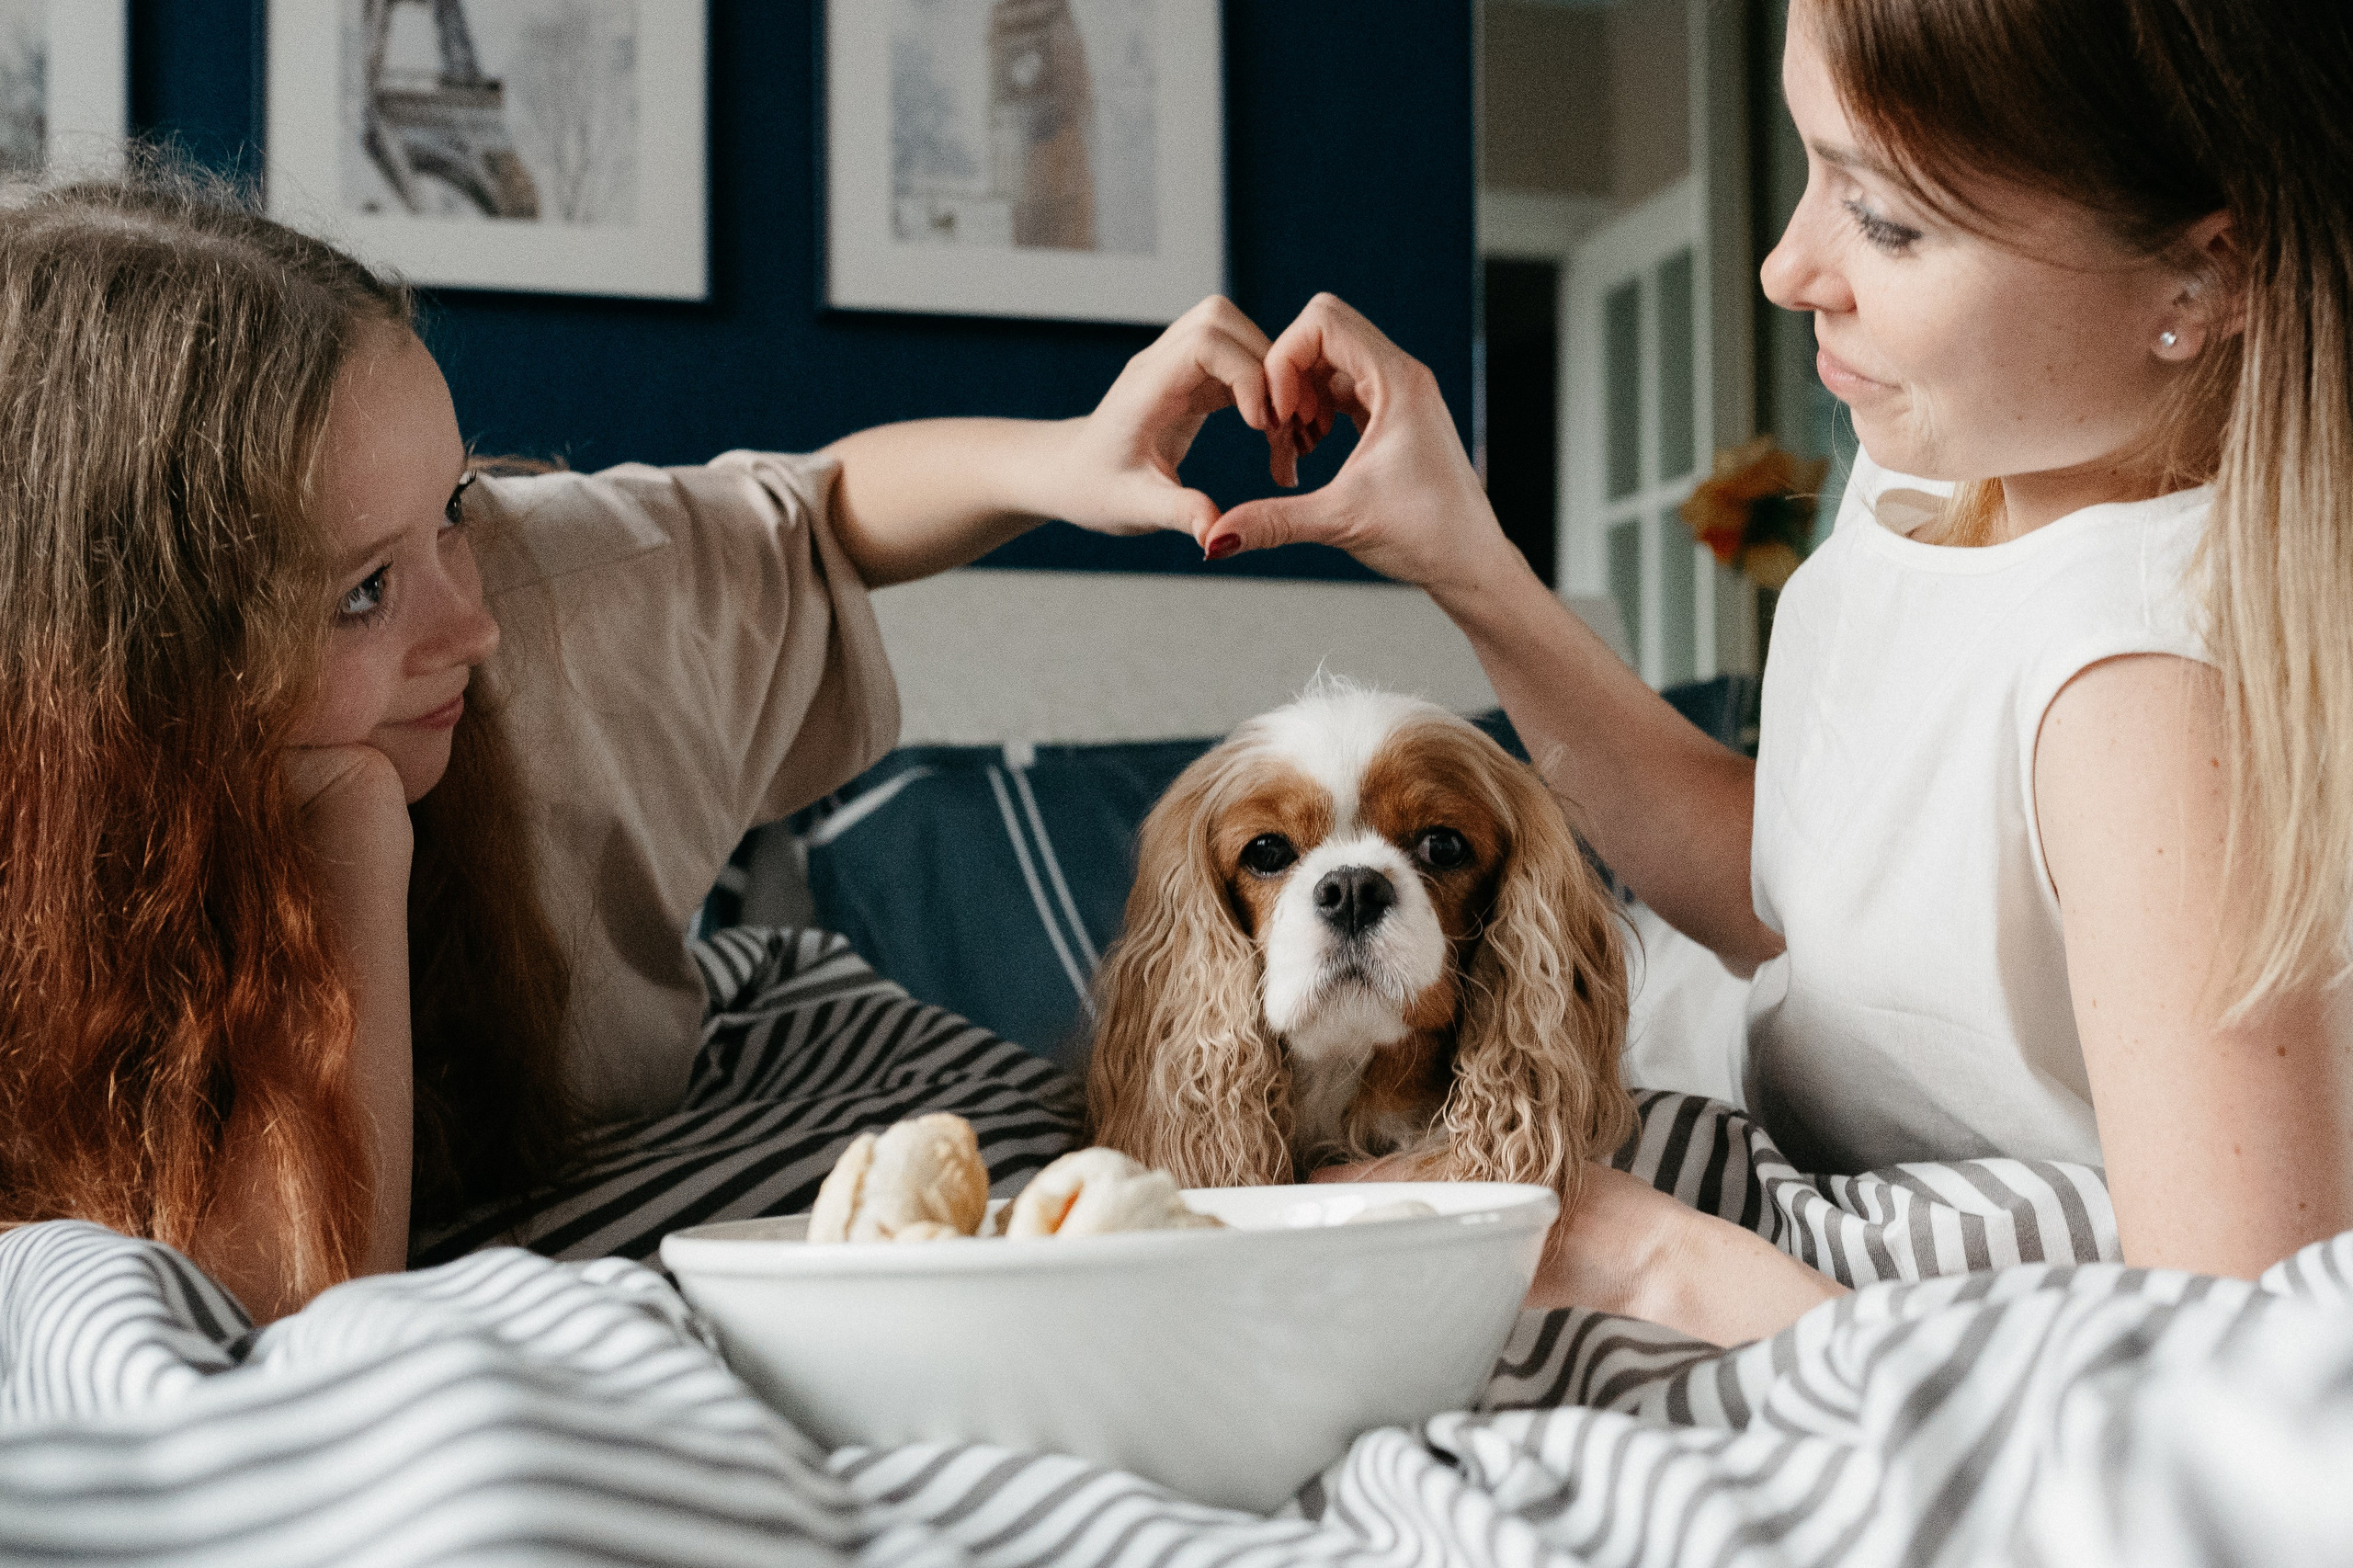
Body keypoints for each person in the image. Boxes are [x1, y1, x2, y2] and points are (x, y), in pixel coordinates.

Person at [1208, 0, 2353, 1345]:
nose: (1784, 267)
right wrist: (1465, 555)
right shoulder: (1949, 452)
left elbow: (2253, 1385)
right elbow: (1816, 896)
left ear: (2205, 281)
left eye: (1887, 222)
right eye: (1811, 163)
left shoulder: (2145, 694)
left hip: (1922, 1310)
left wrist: (1641, 1256)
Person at [0, 172, 1299, 1323]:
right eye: (360, 593)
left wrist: (1071, 456)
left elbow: (812, 520)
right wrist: (350, 835)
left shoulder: (539, 600)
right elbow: (283, 1331)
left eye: (452, 508)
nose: (471, 627)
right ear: (130, 681)